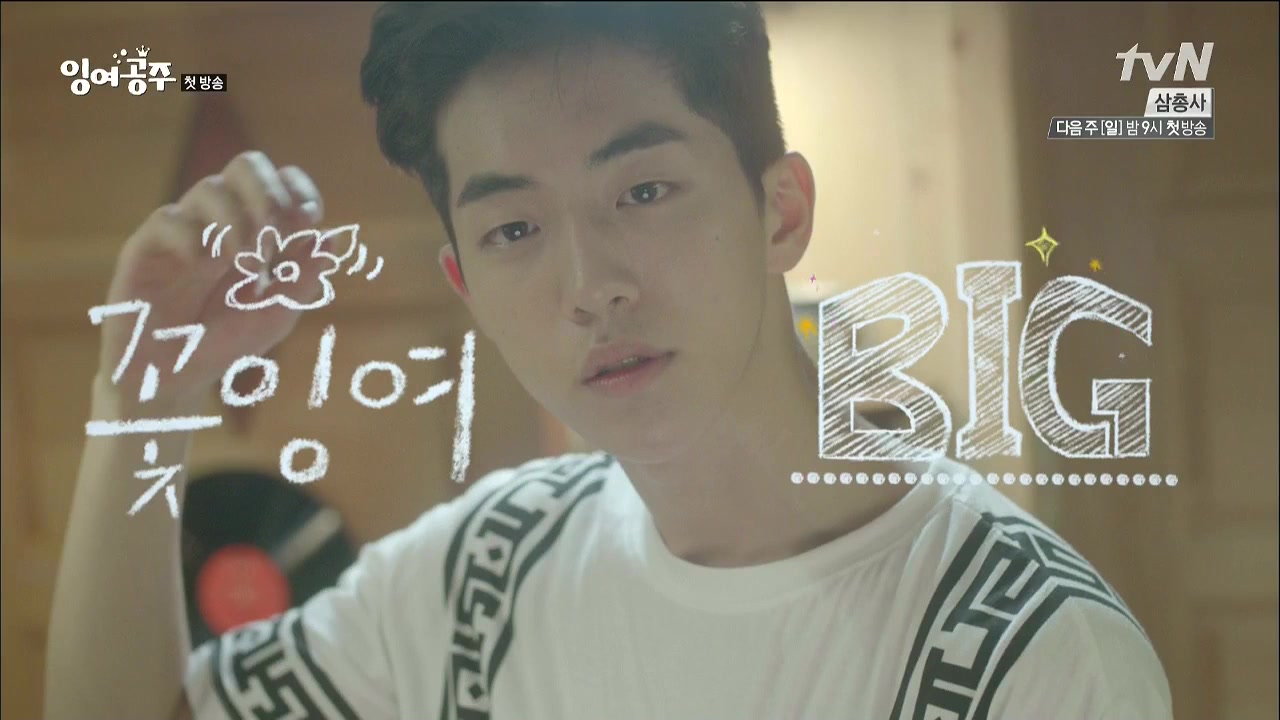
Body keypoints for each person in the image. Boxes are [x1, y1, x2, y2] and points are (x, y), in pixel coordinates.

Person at [45, 3, 1174, 719]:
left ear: (780, 211)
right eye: (514, 229)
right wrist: (146, 398)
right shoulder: (482, 572)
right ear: (466, 286)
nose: (588, 284)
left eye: (642, 190)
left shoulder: (1035, 650)